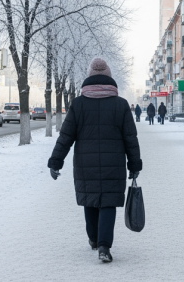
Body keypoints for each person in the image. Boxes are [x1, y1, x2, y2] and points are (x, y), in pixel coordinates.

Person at [48, 58, 142, 263]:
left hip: (85, 165)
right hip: (113, 165)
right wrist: (134, 165)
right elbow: (130, 139)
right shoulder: (121, 105)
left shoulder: (78, 104)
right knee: (108, 203)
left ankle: (93, 239)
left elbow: (66, 136)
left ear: (89, 77)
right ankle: (104, 246)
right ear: (109, 78)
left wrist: (56, 161)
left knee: (90, 200)